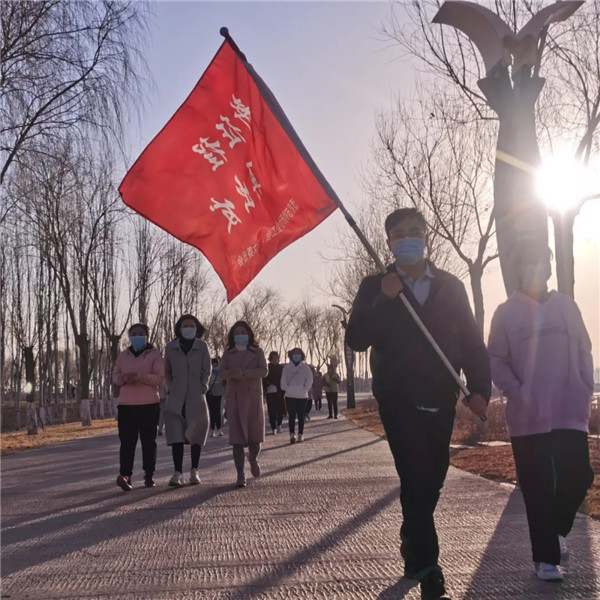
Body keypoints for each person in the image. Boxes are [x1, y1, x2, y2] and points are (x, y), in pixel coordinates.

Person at [345, 208, 490, 600]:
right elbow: (356, 338)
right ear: (388, 242)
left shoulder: (450, 287)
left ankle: (412, 537)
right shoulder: (375, 285)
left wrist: (479, 388)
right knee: (414, 474)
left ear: (426, 237)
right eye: (398, 234)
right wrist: (384, 300)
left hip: (441, 395)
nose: (407, 239)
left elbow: (471, 341)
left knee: (432, 476)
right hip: (397, 397)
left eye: (414, 232)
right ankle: (429, 568)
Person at [488, 241, 594, 583]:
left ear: (549, 268)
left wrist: (584, 387)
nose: (536, 269)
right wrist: (518, 393)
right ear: (518, 270)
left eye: (541, 262)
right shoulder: (506, 313)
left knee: (579, 476)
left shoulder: (567, 307)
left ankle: (556, 530)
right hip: (528, 416)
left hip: (568, 411)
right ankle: (545, 558)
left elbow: (585, 350)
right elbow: (497, 359)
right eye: (528, 263)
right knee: (537, 487)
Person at [112, 323, 163, 491]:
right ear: (129, 337)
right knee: (127, 443)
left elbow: (159, 377)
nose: (137, 336)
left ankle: (149, 475)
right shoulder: (123, 356)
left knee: (149, 442)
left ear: (146, 336)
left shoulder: (154, 354)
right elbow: (116, 377)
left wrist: (141, 377)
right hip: (126, 406)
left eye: (141, 333)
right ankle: (125, 476)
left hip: (149, 404)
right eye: (134, 334)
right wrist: (124, 378)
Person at [219, 321, 268, 487]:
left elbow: (264, 371)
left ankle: (253, 458)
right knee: (237, 440)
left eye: (243, 332)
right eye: (237, 332)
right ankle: (240, 474)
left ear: (249, 334)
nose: (240, 335)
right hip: (234, 398)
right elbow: (222, 373)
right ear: (233, 336)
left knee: (255, 440)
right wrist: (231, 373)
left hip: (253, 398)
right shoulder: (228, 354)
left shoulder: (257, 352)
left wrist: (245, 373)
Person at [164, 314, 210, 487]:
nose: (188, 328)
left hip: (195, 395)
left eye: (192, 325)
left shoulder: (202, 346)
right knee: (176, 435)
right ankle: (177, 472)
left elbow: (207, 370)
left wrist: (202, 387)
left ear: (196, 328)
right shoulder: (170, 348)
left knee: (196, 434)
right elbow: (166, 371)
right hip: (176, 397)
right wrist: (170, 387)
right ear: (179, 328)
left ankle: (194, 470)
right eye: (185, 325)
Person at [281, 348, 313, 444]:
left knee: (301, 416)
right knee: (291, 416)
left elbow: (310, 380)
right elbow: (283, 380)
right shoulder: (287, 367)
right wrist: (287, 389)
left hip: (302, 396)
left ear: (301, 355)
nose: (296, 355)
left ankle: (300, 434)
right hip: (290, 396)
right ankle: (292, 434)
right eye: (294, 354)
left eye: (298, 354)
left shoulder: (305, 368)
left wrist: (305, 389)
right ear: (291, 355)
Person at [263, 351, 285, 434]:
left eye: (276, 358)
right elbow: (263, 379)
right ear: (270, 359)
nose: (275, 360)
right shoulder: (267, 367)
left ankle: (279, 424)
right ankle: (273, 427)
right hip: (270, 392)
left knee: (280, 410)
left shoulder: (281, 368)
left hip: (279, 392)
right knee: (271, 410)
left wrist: (282, 389)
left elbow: (283, 379)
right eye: (273, 358)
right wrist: (266, 387)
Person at [207, 357, 225, 437]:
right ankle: (216, 430)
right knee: (216, 412)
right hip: (217, 394)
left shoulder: (210, 372)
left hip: (212, 394)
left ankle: (214, 430)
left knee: (213, 412)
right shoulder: (220, 372)